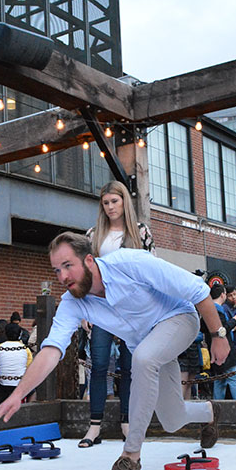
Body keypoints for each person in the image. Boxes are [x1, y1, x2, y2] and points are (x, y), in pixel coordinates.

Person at [0, 232, 229, 470]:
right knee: (172, 419)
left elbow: (197, 289)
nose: (62, 277)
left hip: (179, 319)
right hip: (149, 345)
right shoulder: (72, 302)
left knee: (143, 358)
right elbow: (51, 350)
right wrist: (17, 394)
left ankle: (131, 454)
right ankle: (210, 412)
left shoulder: (130, 263)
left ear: (89, 260)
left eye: (68, 266)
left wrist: (218, 335)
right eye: (57, 270)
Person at [79, 180, 156, 447]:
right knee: (98, 365)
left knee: (129, 368)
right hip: (102, 309)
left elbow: (152, 272)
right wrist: (85, 310)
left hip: (133, 310)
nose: (110, 207)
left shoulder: (141, 232)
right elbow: (85, 275)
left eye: (114, 201)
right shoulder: (93, 235)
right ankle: (94, 427)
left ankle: (127, 422)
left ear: (124, 201)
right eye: (106, 203)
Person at [208, 284, 236, 400]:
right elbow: (222, 330)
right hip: (225, 351)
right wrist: (233, 322)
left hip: (214, 352)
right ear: (223, 295)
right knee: (234, 380)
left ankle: (217, 409)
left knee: (220, 381)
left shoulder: (208, 309)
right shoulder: (218, 310)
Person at [0, 323, 33, 405]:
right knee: (33, 391)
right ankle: (30, 407)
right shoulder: (26, 349)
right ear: (19, 334)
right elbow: (29, 367)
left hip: (3, 383)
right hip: (20, 383)